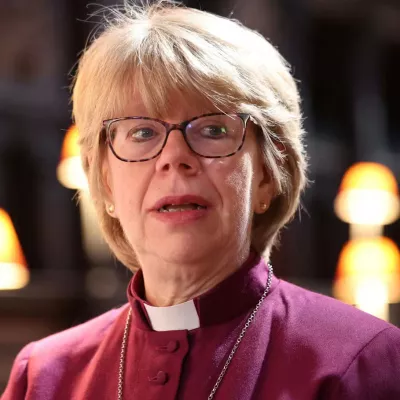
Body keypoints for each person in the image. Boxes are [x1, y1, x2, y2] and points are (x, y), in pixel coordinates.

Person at [2, 1, 400, 399]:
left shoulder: (361, 361)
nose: (174, 157)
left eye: (213, 130)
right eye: (142, 133)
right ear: (105, 182)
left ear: (267, 174)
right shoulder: (43, 376)